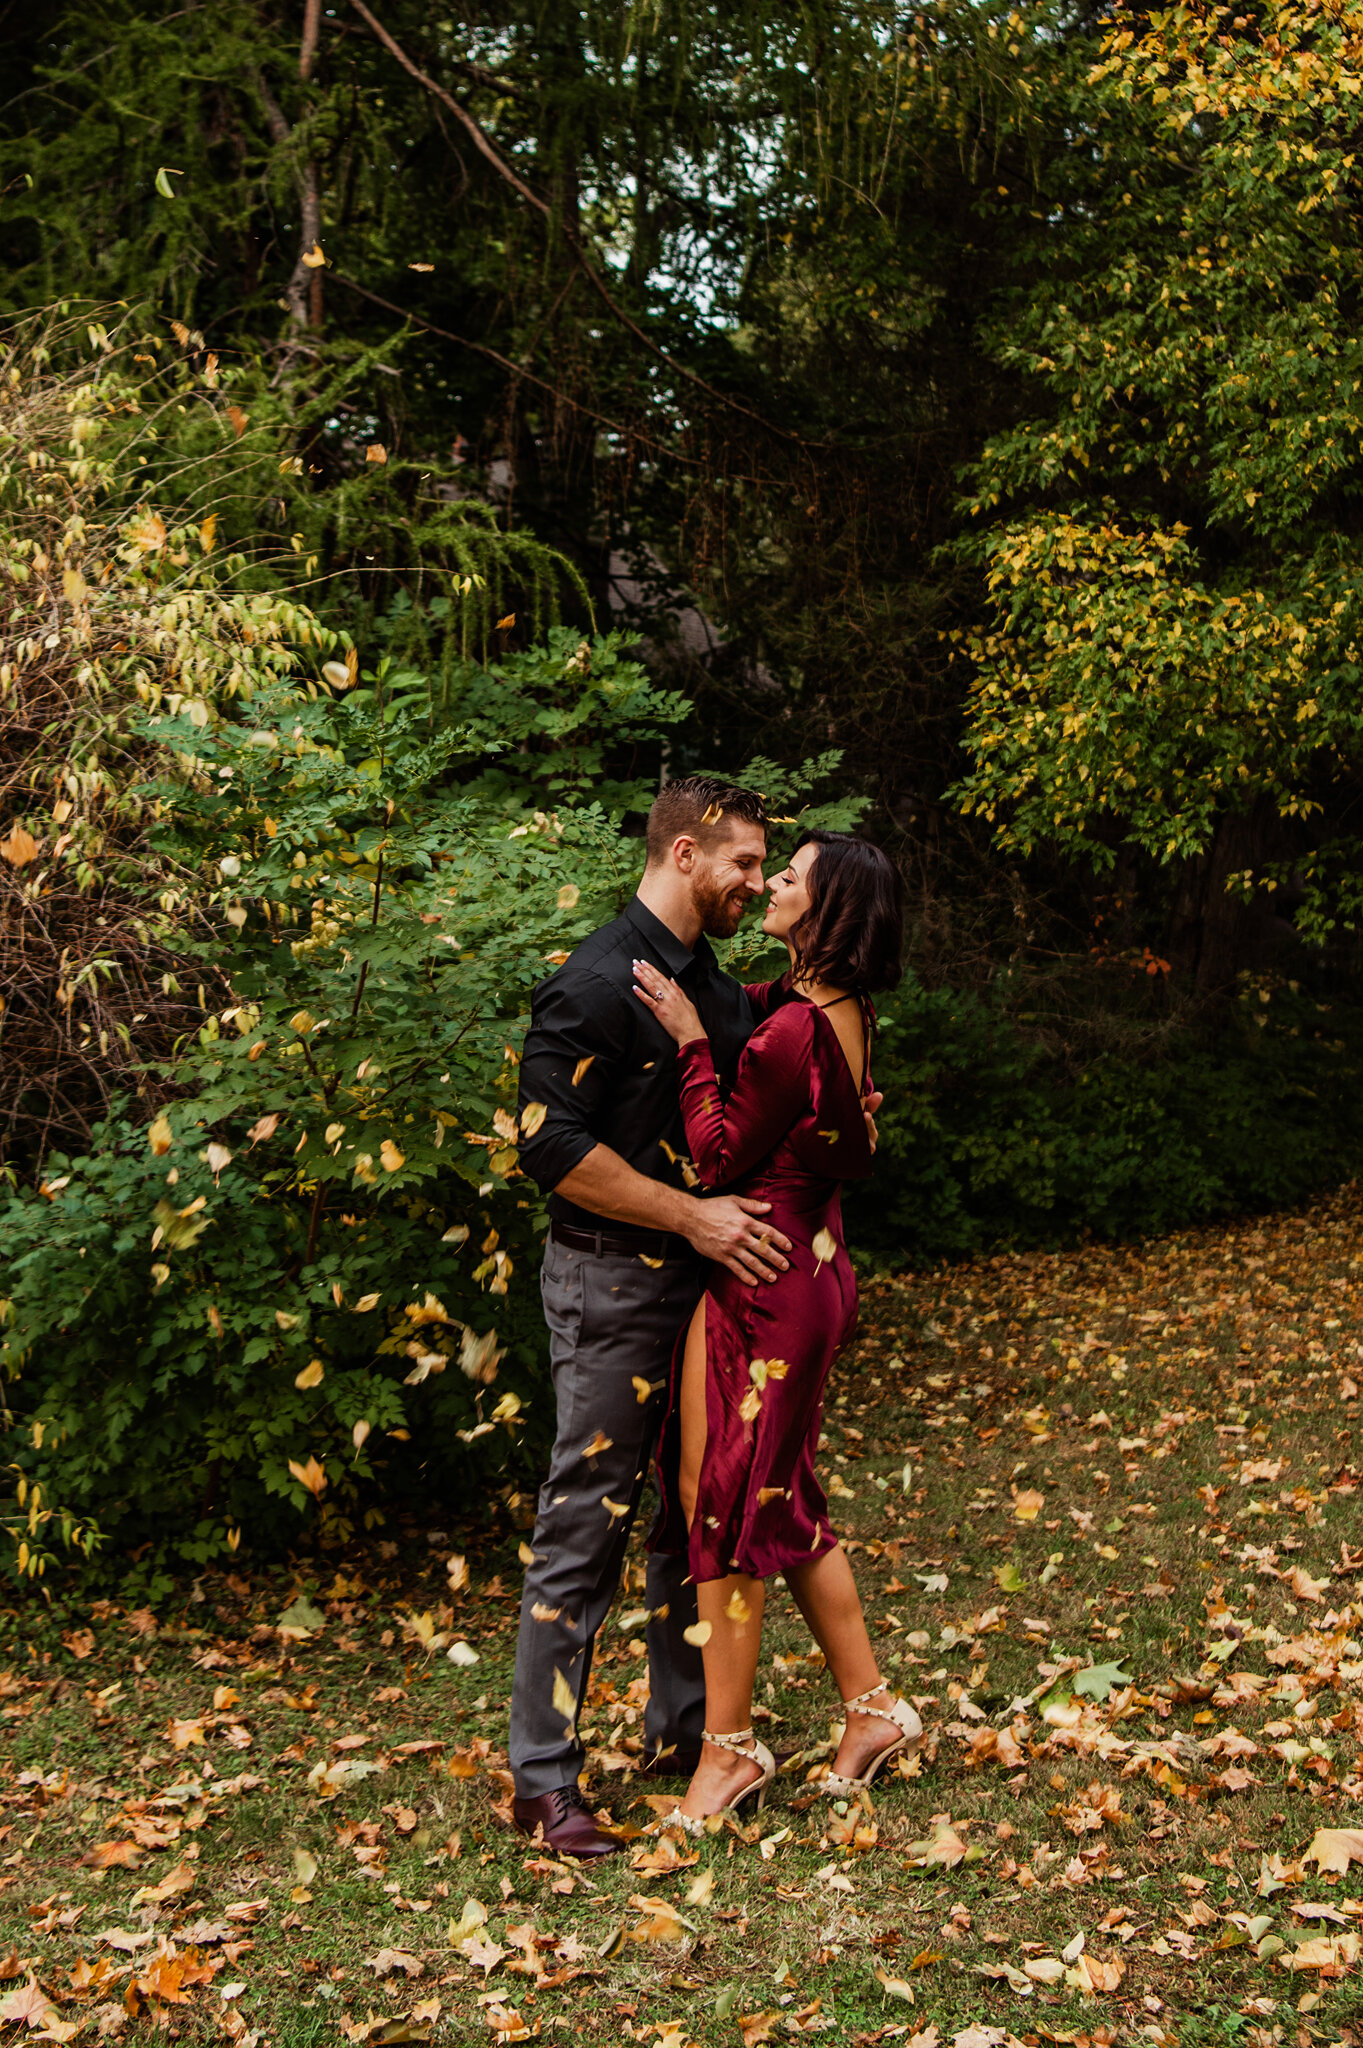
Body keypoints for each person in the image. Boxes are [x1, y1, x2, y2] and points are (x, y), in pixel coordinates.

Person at [508, 778, 881, 1858]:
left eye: (771, 870)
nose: (755, 883)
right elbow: (549, 1147)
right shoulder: (589, 981)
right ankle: (543, 1782)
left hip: (714, 1290)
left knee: (695, 1513)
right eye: (745, 864)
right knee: (585, 1522)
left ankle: (688, 1730)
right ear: (683, 852)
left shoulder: (714, 989)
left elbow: (803, 1050)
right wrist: (694, 1217)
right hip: (611, 1285)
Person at [632, 830, 920, 1831]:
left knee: (731, 1512)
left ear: (824, 909)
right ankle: (873, 1709)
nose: (773, 884)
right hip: (802, 1264)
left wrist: (685, 1046)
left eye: (789, 876)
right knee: (766, 1492)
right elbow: (830, 1123)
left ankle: (727, 1749)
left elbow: (713, 1157)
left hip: (770, 1284)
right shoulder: (832, 1011)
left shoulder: (799, 1030)